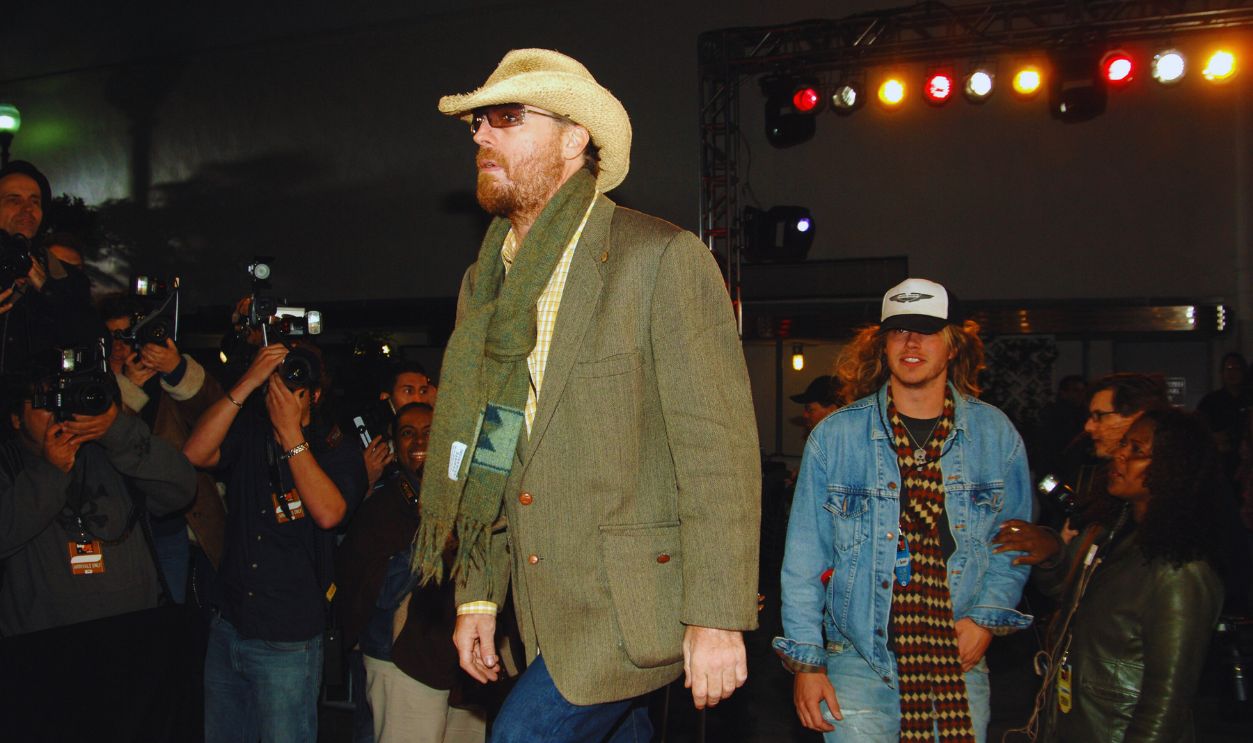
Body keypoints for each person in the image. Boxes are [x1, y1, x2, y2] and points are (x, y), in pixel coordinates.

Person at [416, 48, 761, 742]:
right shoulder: (484, 288)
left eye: (506, 118)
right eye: (477, 122)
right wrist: (479, 593)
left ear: (575, 138)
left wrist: (716, 613)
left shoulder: (657, 258)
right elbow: (492, 442)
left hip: (633, 603)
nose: (481, 135)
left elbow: (715, 449)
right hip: (544, 610)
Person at [774, 277, 1031, 742]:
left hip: (958, 657)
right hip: (856, 661)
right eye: (899, 331)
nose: (912, 342)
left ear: (953, 345)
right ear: (883, 344)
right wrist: (807, 663)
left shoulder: (994, 435)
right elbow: (806, 558)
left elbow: (1013, 541)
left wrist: (987, 618)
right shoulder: (836, 437)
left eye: (927, 330)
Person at [184, 340, 366, 743]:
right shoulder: (251, 432)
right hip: (230, 624)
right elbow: (195, 452)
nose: (282, 391)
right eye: (276, 381)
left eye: (295, 382)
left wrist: (290, 434)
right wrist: (247, 382)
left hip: (288, 640)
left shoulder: (336, 447)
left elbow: (329, 513)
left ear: (315, 394)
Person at [1029, 408, 1226, 742]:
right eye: (1124, 445)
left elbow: (1165, 705)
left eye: (1136, 450)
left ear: (1172, 467)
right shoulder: (1114, 536)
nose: (1119, 454)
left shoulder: (1179, 571)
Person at [338, 403, 486, 742]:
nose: (419, 440)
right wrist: (435, 541)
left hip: (462, 665)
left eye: (430, 432)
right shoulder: (381, 507)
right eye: (408, 433)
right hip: (401, 665)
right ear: (394, 445)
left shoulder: (468, 499)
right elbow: (380, 592)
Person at [0, 379, 196, 634]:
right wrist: (50, 472)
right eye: (49, 403)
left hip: (134, 635)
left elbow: (181, 491)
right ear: (17, 419)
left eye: (68, 400)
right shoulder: (8, 464)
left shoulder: (113, 451)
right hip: (44, 649)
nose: (62, 413)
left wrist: (118, 430)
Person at [100, 292, 227, 601]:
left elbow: (217, 414)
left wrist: (177, 370)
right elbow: (104, 452)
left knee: (185, 615)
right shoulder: (91, 389)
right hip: (121, 527)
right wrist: (126, 388)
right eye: (110, 337)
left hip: (175, 523)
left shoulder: (167, 379)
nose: (119, 346)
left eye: (126, 336)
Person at [0, 160, 105, 377]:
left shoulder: (69, 279)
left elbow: (95, 347)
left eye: (35, 201)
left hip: (41, 405)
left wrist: (49, 291)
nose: (27, 209)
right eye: (14, 200)